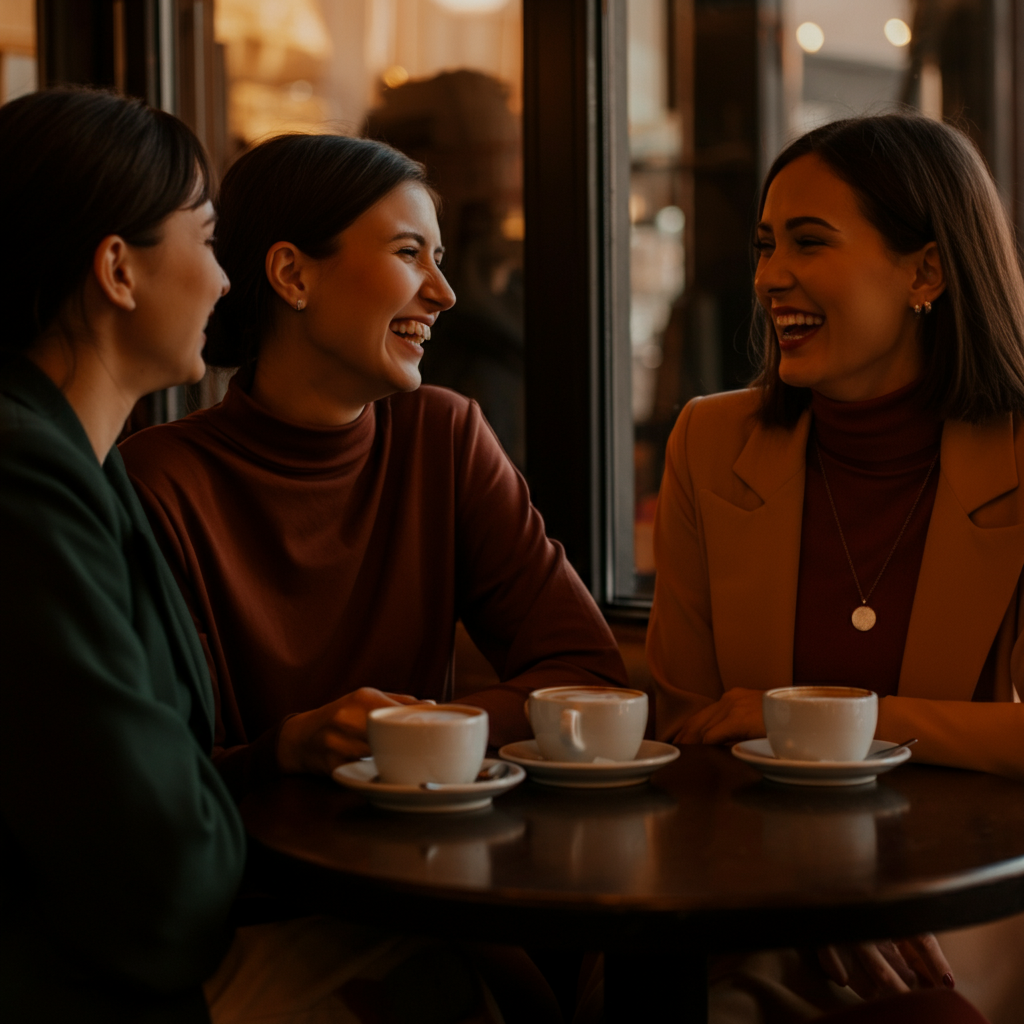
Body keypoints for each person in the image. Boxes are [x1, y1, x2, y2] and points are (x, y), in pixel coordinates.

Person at [647, 113, 1024, 1023]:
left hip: (974, 894)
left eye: (810, 243)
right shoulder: (710, 439)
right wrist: (805, 887)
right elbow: (687, 724)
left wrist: (847, 724)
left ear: (926, 272)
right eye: (767, 246)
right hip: (750, 887)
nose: (771, 277)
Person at [119, 132, 628, 801]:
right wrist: (286, 750)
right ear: (293, 276)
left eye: (438, 259)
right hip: (255, 884)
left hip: (432, 861)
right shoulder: (157, 481)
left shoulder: (444, 437)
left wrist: (422, 732)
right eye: (409, 253)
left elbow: (589, 675)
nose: (444, 293)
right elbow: (155, 778)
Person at [0, 88, 245, 1022]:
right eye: (208, 238)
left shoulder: (82, 464)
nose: (224, 280)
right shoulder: (24, 480)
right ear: (118, 268)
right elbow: (162, 876)